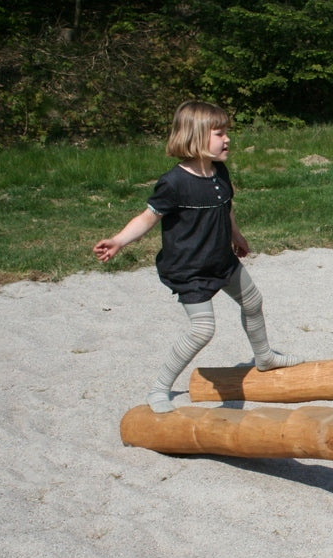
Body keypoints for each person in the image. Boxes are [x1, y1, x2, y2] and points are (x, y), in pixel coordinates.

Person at [94, 100, 303, 413]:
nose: (227, 139)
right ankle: (159, 388)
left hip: (222, 260)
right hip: (190, 269)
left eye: (226, 132)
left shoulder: (219, 172)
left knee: (253, 303)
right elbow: (148, 218)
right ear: (194, 137)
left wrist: (237, 236)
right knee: (202, 330)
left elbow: (226, 209)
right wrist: (118, 240)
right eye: (219, 133)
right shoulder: (174, 183)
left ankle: (264, 357)